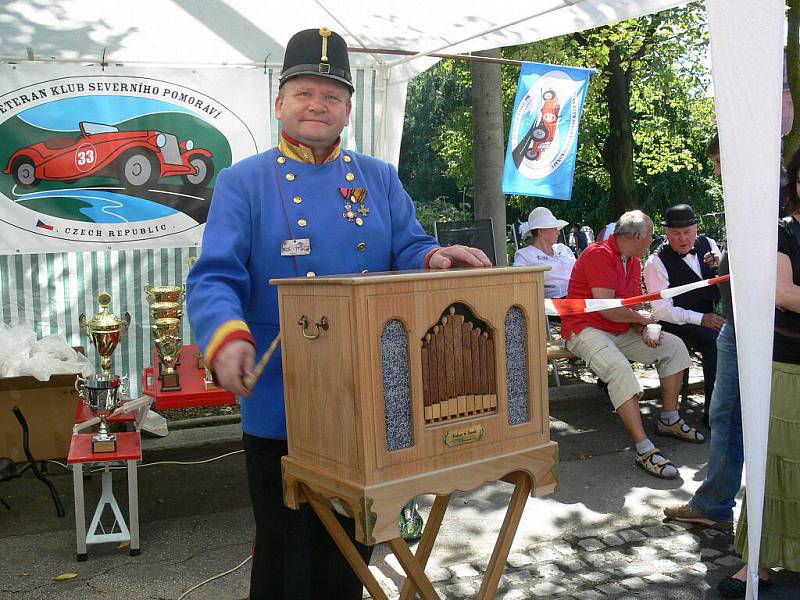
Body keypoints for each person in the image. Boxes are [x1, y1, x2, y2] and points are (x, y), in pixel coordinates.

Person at [186, 27, 490, 600]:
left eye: (330, 95)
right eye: (304, 93)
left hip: (366, 389)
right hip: (283, 391)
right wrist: (226, 336)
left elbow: (406, 245)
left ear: (348, 109)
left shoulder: (378, 177)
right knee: (282, 544)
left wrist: (432, 255)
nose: (316, 105)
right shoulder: (242, 181)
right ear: (280, 104)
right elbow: (215, 276)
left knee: (354, 542)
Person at [562, 210, 702, 480]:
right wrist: (642, 319)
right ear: (638, 236)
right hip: (585, 329)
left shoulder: (634, 260)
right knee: (620, 370)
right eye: (650, 236)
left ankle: (669, 419)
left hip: (618, 328)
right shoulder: (598, 254)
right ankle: (644, 448)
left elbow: (631, 307)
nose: (652, 241)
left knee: (673, 346)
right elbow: (609, 310)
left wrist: (643, 325)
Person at [716, 148, 800, 598]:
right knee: (777, 460)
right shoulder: (782, 232)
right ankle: (759, 562)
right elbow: (784, 295)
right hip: (785, 363)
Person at [663, 134, 745, 531]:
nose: (715, 171)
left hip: (745, 322)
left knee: (729, 414)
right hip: (705, 324)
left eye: (719, 161)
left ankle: (723, 506)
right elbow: (664, 310)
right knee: (726, 413)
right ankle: (717, 502)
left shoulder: (770, 195)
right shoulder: (658, 261)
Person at [644, 203, 723, 428]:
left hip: (713, 314)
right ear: (667, 233)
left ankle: (739, 406)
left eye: (687, 232)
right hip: (676, 322)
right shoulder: (655, 262)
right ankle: (714, 414)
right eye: (676, 233)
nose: (683, 238)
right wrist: (701, 319)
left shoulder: (708, 244)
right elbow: (661, 310)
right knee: (716, 342)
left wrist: (719, 266)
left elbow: (725, 280)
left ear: (696, 228)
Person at [513, 207, 576, 298]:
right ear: (541, 231)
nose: (558, 233)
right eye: (555, 229)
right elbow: (520, 287)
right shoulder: (524, 256)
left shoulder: (563, 248)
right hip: (553, 303)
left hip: (579, 294)